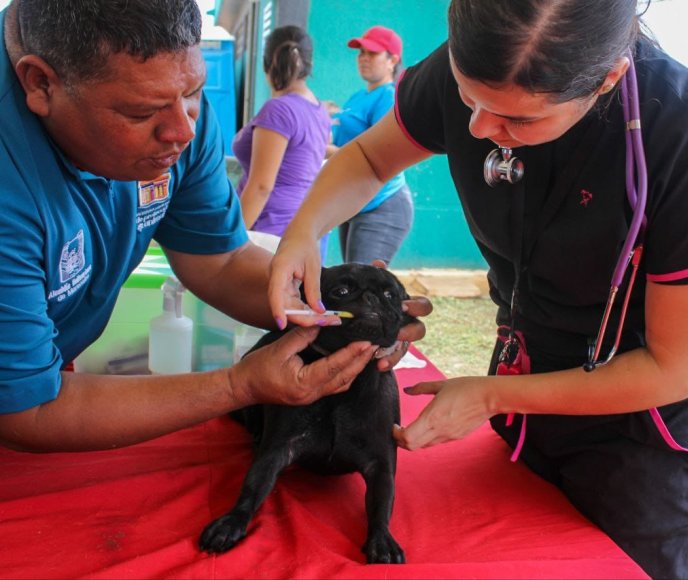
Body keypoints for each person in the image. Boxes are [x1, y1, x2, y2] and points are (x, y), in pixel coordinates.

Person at [268, 1, 688, 577]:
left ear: (609, 77)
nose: (479, 130)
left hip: (643, 426)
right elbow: (367, 156)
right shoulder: (482, 61)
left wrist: (492, 395)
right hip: (528, 381)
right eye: (469, 98)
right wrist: (303, 233)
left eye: (518, 121)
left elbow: (675, 367)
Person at [0, 0, 428, 454]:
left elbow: (221, 260)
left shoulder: (169, 103)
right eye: (140, 114)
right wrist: (238, 386)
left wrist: (342, 311)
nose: (183, 132)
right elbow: (29, 410)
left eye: (193, 94)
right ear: (41, 84)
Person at [232, 25, 332, 261]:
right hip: (301, 228)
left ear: (267, 63)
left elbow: (261, 186)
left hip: (269, 231)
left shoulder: (279, 110)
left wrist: (231, 242)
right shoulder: (318, 110)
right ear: (309, 64)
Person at [326, 25, 414, 266]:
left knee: (362, 289)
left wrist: (322, 150)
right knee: (352, 286)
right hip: (355, 202)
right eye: (361, 52)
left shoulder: (388, 96)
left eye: (372, 53)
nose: (363, 58)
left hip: (382, 205)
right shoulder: (358, 97)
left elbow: (380, 154)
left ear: (392, 60)